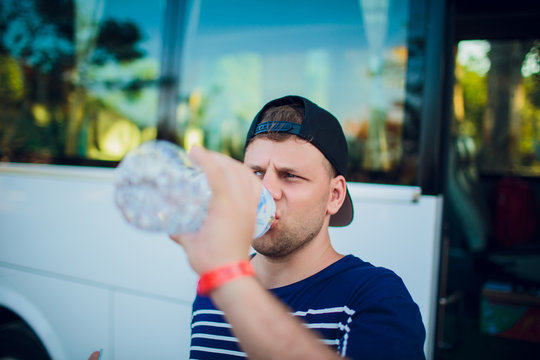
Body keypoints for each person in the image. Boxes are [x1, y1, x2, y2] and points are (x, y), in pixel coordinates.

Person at [170, 95, 426, 359]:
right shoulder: (214, 290)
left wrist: (230, 280)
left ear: (334, 195)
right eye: (256, 173)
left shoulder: (375, 297)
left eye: (290, 176)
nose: (265, 191)